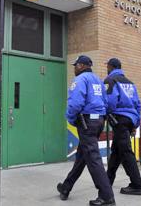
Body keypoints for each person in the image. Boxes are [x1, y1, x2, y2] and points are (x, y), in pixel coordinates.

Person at [57, 55, 116, 206]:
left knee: (93, 159)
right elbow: (106, 102)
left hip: (86, 123)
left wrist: (70, 118)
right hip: (98, 121)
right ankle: (66, 187)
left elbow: (75, 102)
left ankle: (106, 196)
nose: (74, 68)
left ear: (82, 66)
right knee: (82, 156)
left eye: (76, 65)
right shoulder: (98, 80)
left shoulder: (80, 80)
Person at [104, 58, 141, 195]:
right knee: (116, 151)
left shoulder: (110, 80)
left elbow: (109, 101)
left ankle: (136, 185)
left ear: (110, 66)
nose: (106, 68)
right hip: (130, 119)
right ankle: (107, 181)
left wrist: (107, 114)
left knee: (126, 152)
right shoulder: (130, 82)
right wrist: (135, 124)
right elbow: (138, 104)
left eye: (107, 66)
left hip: (118, 119)